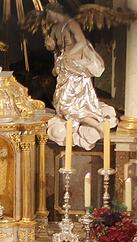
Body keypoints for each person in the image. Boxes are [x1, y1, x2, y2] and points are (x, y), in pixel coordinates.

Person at [42, 4, 117, 150]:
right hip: (65, 68)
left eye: (48, 12)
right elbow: (54, 48)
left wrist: (68, 56)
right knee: (62, 103)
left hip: (75, 68)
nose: (47, 16)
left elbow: (82, 42)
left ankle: (97, 126)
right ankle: (89, 125)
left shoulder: (72, 24)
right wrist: (50, 45)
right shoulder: (55, 28)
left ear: (55, 11)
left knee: (67, 105)